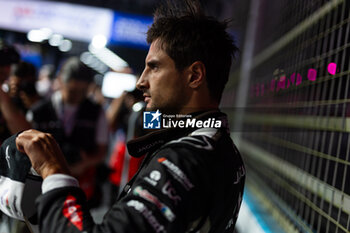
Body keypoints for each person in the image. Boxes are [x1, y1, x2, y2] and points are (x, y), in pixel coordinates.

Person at [15, 0, 245, 232]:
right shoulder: (221, 145)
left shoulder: (184, 159)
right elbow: (133, 124)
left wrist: (52, 170)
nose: (140, 81)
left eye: (154, 67)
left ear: (195, 75)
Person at [27, 57, 109, 206]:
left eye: (83, 91)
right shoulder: (39, 110)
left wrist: (84, 163)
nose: (77, 96)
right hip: (40, 182)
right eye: (72, 91)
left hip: (78, 183)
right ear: (60, 81)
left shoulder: (96, 113)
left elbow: (102, 151)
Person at [0, 41, 31, 145]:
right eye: (2, 63)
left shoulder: (10, 98)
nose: (6, 68)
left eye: (8, 64)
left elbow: (25, 135)